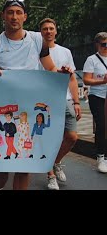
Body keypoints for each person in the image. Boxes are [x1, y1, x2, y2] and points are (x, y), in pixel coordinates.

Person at [0, 0, 72, 190]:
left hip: (28, 111)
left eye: (18, 13)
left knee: (24, 165)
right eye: (10, 12)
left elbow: (50, 68)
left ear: (25, 17)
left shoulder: (38, 40)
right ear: (3, 16)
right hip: (2, 111)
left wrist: (61, 75)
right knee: (1, 176)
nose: (14, 17)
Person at [39, 18, 81, 190]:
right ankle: (50, 176)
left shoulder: (65, 52)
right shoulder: (34, 51)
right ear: (40, 32)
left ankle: (56, 161)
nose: (48, 31)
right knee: (49, 138)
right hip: (44, 101)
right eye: (45, 29)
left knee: (72, 137)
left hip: (64, 99)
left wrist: (77, 101)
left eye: (51, 28)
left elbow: (71, 78)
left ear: (56, 31)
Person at [83, 31, 107, 173]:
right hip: (97, 96)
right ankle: (101, 157)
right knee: (102, 125)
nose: (106, 47)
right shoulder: (92, 59)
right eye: (104, 44)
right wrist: (103, 81)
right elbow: (87, 80)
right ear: (97, 44)